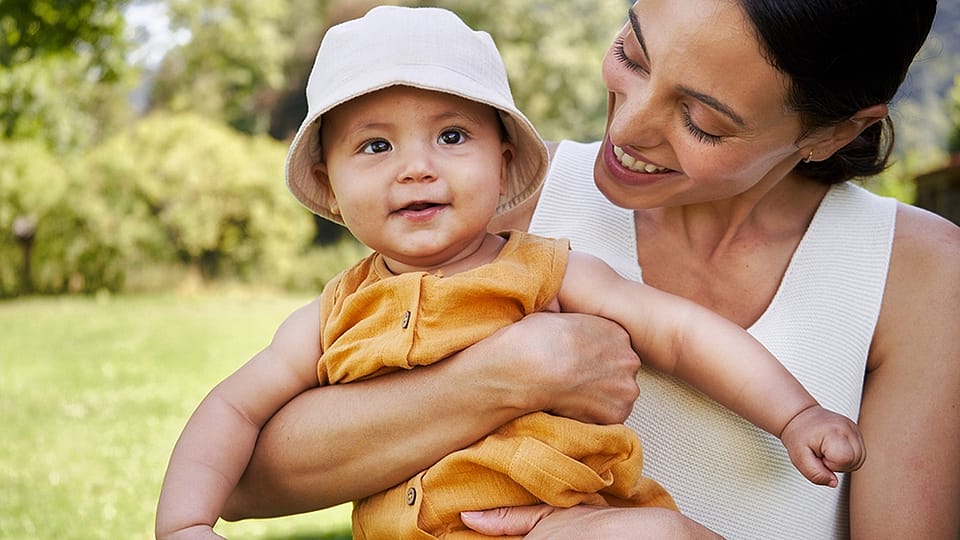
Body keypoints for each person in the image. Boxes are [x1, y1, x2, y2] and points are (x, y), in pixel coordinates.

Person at [221, 0, 960, 538]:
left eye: (702, 120)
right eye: (632, 55)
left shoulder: (919, 274)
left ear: (833, 132)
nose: (628, 127)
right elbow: (249, 479)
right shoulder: (487, 207)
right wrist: (504, 376)